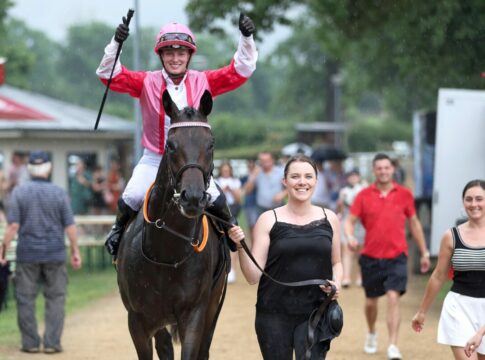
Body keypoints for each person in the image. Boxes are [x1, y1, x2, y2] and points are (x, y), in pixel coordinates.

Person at [96, 13, 257, 259]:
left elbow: (241, 70)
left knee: (218, 200)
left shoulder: (205, 80)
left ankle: (227, 244)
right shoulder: (145, 82)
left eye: (181, 53)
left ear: (189, 55)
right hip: (154, 158)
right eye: (169, 53)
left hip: (192, 161)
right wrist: (116, 43)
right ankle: (117, 235)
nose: (175, 58)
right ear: (161, 55)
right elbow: (109, 75)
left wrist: (246, 37)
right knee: (132, 196)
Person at [228, 154, 343, 359]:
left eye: (308, 176)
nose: (302, 182)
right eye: (295, 176)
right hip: (273, 313)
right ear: (285, 182)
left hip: (316, 312)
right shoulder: (268, 219)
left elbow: (337, 262)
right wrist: (240, 246)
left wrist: (338, 283)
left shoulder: (330, 218)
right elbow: (253, 276)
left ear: (316, 181)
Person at [345, 152, 431, 360]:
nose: (383, 171)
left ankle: (393, 345)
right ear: (374, 171)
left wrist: (424, 251)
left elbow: (415, 223)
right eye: (379, 168)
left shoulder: (404, 194)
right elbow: (350, 220)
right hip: (371, 256)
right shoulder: (363, 195)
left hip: (397, 255)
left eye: (387, 167)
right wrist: (349, 237)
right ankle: (372, 332)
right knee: (371, 302)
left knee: (393, 297)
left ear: (392, 169)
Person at [0, 151, 82, 354]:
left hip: (27, 255)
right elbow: (70, 227)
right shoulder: (59, 193)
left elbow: (12, 227)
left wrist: (3, 250)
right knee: (55, 298)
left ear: (29, 169)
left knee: (25, 298)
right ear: (49, 168)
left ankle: (30, 343)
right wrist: (75, 251)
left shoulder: (20, 192)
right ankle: (52, 343)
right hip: (54, 254)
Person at [412, 179, 485, 360]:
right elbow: (438, 276)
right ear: (463, 202)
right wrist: (422, 311)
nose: (474, 204)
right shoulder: (451, 236)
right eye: (469, 199)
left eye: (479, 199)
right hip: (459, 306)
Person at [336, 168, 367, 288]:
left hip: (361, 223)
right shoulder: (343, 191)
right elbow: (340, 209)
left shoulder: (363, 189)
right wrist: (341, 203)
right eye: (351, 176)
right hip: (347, 221)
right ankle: (346, 277)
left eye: (355, 176)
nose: (353, 178)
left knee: (361, 250)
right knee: (346, 249)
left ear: (358, 177)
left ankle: (360, 277)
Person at [216, 161, 242, 283]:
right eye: (224, 170)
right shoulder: (216, 181)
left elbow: (239, 199)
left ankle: (233, 270)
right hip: (220, 212)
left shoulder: (235, 181)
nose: (226, 172)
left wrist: (231, 190)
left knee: (233, 240)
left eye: (227, 170)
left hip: (232, 211)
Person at [244, 151, 287, 217]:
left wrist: (282, 194)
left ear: (272, 160)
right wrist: (253, 176)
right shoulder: (256, 173)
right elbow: (247, 191)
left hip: (278, 207)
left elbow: (290, 187)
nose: (265, 163)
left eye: (267, 160)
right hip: (261, 209)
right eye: (262, 160)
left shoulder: (281, 171)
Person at [241, 158, 259, 243]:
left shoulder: (260, 176)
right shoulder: (245, 177)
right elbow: (247, 190)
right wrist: (253, 176)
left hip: (257, 204)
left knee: (257, 226)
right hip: (249, 204)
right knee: (251, 226)